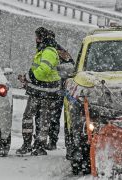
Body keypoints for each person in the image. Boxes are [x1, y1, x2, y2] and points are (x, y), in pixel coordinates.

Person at [16, 27, 61, 156]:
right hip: (39, 92)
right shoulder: (44, 50)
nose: (35, 40)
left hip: (44, 93)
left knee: (41, 119)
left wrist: (28, 77)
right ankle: (31, 145)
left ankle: (37, 146)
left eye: (37, 37)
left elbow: (43, 72)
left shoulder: (48, 52)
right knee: (37, 118)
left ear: (42, 38)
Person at [34, 30, 75, 151]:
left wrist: (56, 73)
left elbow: (71, 67)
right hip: (48, 87)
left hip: (57, 88)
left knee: (52, 116)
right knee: (44, 115)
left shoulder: (58, 51)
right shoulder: (45, 49)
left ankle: (51, 141)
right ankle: (41, 140)